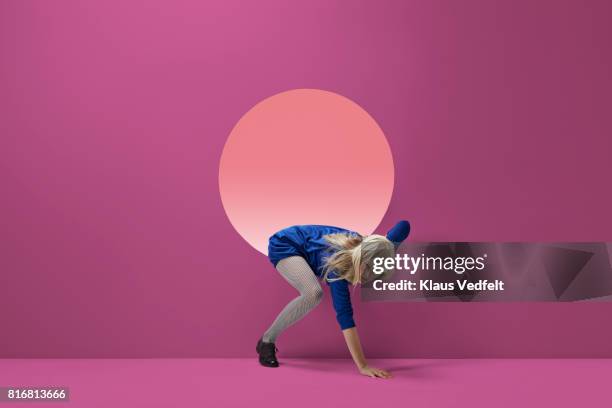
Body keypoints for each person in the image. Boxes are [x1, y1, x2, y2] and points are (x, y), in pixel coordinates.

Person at [256, 220, 410, 378]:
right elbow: (345, 316)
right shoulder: (338, 269)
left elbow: (404, 225)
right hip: (286, 244)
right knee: (314, 293)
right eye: (366, 272)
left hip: (309, 241)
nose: (367, 278)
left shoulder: (380, 247)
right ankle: (266, 341)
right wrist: (363, 366)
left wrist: (390, 242)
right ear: (360, 259)